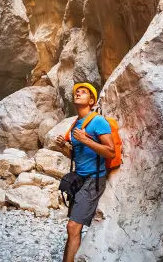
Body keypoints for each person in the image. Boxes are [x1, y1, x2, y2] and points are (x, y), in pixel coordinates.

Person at [53, 82, 115, 262]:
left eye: (83, 92)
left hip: (93, 180)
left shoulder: (97, 121)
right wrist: (64, 148)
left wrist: (85, 140)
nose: (78, 93)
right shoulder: (76, 124)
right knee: (71, 228)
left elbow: (110, 151)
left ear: (92, 101)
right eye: (77, 92)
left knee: (73, 227)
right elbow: (76, 155)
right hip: (78, 180)